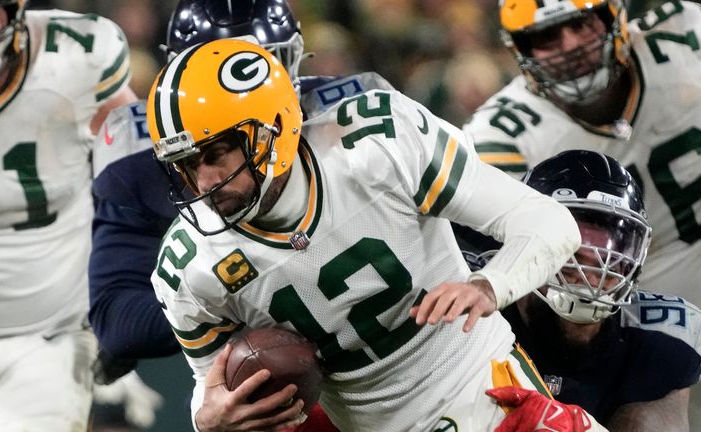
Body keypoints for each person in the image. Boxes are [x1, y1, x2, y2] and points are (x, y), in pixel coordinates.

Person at [143, 37, 606, 432]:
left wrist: (490, 284)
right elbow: (212, 392)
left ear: (275, 130)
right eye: (184, 164)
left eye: (216, 153)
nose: (202, 182)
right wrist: (207, 422)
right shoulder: (191, 266)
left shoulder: (376, 145)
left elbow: (549, 222)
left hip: (491, 397)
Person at [88, 1, 391, 429]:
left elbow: (454, 224)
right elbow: (119, 321)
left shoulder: (351, 114)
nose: (250, 97)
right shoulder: (139, 158)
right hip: (276, 386)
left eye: (268, 67)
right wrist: (263, 297)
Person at [0, 0, 136, 430]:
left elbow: (138, 182)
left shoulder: (77, 56)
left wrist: (121, 300)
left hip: (52, 337)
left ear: (13, 10)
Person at [463, 0, 701, 309]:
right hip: (626, 310)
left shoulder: (686, 36)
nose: (571, 47)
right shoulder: (501, 136)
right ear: (521, 48)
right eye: (546, 36)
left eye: (581, 24)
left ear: (612, 16)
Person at [468, 150, 701, 431]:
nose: (594, 266)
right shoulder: (473, 298)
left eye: (615, 248)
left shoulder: (659, 341)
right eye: (573, 244)